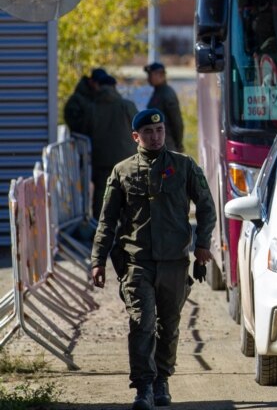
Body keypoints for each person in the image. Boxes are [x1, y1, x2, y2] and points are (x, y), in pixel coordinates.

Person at [89, 108, 217, 410]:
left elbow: (207, 207)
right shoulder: (122, 171)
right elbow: (107, 221)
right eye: (148, 132)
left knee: (168, 326)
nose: (155, 136)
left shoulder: (184, 166)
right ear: (136, 137)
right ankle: (143, 386)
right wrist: (98, 260)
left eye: (159, 131)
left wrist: (202, 245)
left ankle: (162, 380)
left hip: (175, 261)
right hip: (137, 262)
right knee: (141, 323)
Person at [90, 70, 139, 220]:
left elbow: (85, 129)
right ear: (114, 87)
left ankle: (101, 228)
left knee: (102, 194)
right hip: (126, 158)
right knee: (128, 192)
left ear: (98, 87)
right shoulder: (126, 105)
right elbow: (139, 127)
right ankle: (130, 227)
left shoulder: (92, 108)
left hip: (101, 159)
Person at [144, 62, 184, 153]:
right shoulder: (158, 92)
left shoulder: (166, 94)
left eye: (151, 75)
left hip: (166, 144)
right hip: (158, 144)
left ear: (161, 75)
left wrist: (178, 144)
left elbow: (177, 122)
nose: (148, 78)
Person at [63, 68, 104, 136]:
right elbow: (73, 122)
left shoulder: (97, 97)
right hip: (82, 141)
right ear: (91, 81)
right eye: (98, 83)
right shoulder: (77, 99)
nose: (100, 87)